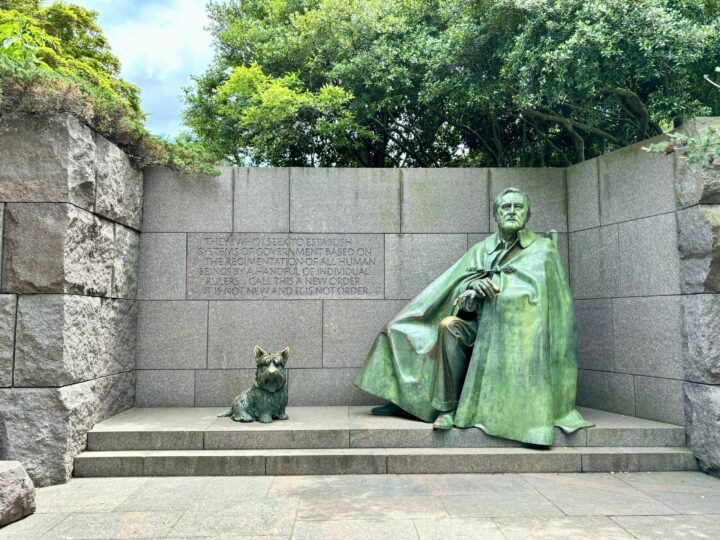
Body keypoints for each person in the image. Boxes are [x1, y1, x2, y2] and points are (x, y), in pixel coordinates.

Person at [354, 187, 592, 446]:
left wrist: (499, 289)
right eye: (505, 207)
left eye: (517, 207)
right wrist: (469, 293)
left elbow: (550, 303)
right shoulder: (482, 249)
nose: (511, 212)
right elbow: (455, 286)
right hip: (475, 324)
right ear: (495, 214)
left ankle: (454, 409)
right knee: (419, 328)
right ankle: (420, 401)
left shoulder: (543, 249)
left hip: (515, 333)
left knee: (449, 328)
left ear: (528, 213)